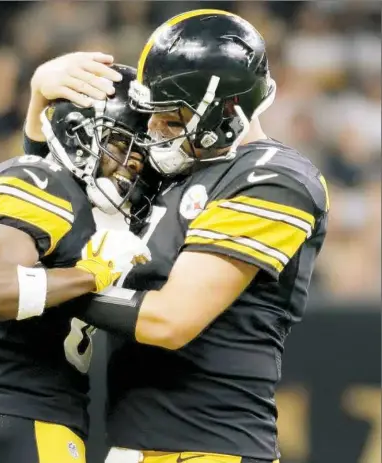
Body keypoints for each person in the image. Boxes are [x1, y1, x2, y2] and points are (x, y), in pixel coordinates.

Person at [30, 10, 330, 463]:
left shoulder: (275, 179)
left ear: (226, 112)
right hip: (132, 446)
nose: (153, 132)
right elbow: (47, 203)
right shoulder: (173, 168)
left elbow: (171, 320)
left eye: (172, 119)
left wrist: (40, 289)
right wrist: (39, 100)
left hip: (209, 450)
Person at [0, 60, 153, 463]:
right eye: (118, 147)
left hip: (3, 422)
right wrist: (86, 276)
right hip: (28, 421)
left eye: (137, 162)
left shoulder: (67, 204)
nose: (126, 173)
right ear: (78, 134)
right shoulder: (43, 184)